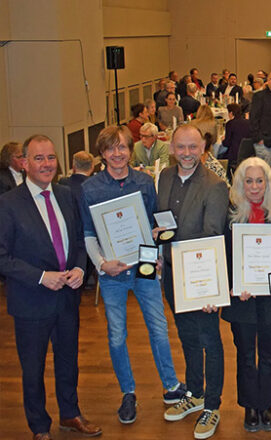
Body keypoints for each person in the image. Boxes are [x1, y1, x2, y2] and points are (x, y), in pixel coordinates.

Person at [79, 125, 185, 424]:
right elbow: (88, 235)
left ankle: (171, 386)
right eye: (111, 148)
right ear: (102, 153)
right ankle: (128, 393)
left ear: (130, 149)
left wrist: (159, 252)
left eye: (122, 147)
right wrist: (101, 264)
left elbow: (153, 225)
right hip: (111, 273)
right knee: (116, 335)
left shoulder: (144, 182)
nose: (117, 154)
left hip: (144, 268)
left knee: (159, 328)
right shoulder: (90, 188)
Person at [0, 134, 101, 440]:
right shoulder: (8, 204)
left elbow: (79, 240)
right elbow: (2, 256)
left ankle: (70, 414)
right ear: (24, 163)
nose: (46, 164)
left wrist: (80, 268)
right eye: (39, 158)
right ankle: (39, 426)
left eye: (51, 158)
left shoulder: (67, 194)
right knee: (33, 368)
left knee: (68, 360)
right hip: (31, 299)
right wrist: (42, 277)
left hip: (68, 297)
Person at [158, 124, 229, 439]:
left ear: (203, 149)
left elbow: (213, 234)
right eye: (181, 147)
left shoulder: (215, 185)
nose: (186, 154)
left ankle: (212, 405)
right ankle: (196, 394)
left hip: (200, 275)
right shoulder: (164, 177)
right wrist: (159, 249)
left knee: (210, 340)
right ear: (172, 148)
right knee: (186, 335)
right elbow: (161, 221)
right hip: (172, 272)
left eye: (193, 147)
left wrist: (170, 243)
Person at [221, 157, 271, 433]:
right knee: (244, 353)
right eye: (248, 181)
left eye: (259, 180)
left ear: (268, 182)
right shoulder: (229, 212)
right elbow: (224, 253)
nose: (254, 186)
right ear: (241, 184)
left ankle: (266, 404)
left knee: (268, 352)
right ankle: (249, 406)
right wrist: (231, 282)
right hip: (242, 295)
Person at [222, 103, 250, 172]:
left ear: (231, 113)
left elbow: (226, 143)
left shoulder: (230, 124)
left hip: (234, 155)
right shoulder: (248, 123)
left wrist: (223, 140)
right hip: (247, 154)